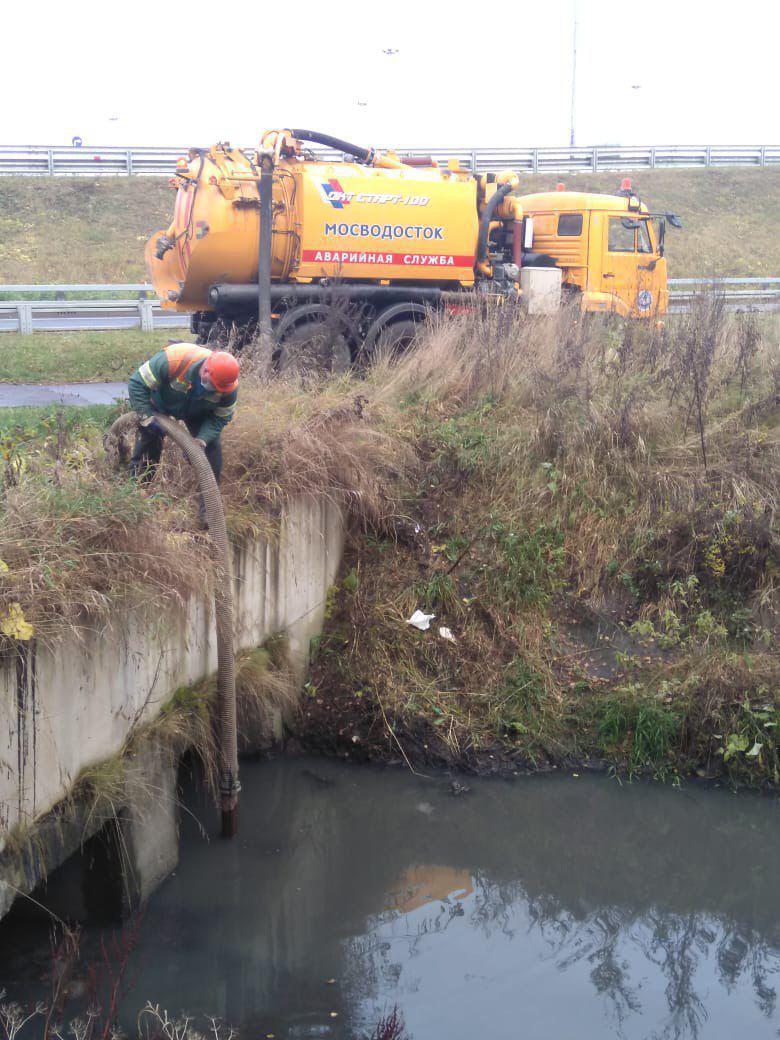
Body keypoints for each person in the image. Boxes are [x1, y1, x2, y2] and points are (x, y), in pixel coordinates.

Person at [128, 343, 239, 488]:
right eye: (214, 386)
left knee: (211, 449)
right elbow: (137, 384)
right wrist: (147, 418)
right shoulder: (173, 360)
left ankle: (210, 506)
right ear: (205, 371)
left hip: (198, 411)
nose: (216, 390)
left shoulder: (228, 388)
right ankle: (138, 489)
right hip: (162, 402)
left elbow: (221, 418)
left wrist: (202, 440)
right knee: (149, 439)